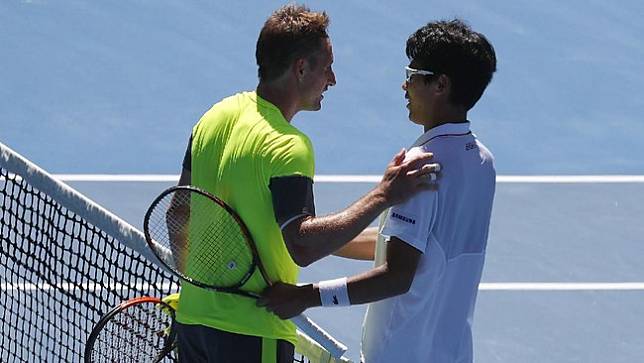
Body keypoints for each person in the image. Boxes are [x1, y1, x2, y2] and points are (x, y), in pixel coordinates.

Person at [173, 4, 439, 363]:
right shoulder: (287, 146)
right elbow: (303, 244)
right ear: (301, 68)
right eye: (326, 68)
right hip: (251, 334)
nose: (332, 80)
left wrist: (198, 287)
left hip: (192, 323)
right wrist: (384, 195)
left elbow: (179, 212)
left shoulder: (214, 117)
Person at [259, 19, 497, 363]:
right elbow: (413, 247)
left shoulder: (420, 164)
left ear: (440, 85)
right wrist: (310, 238)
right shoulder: (482, 163)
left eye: (413, 74)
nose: (405, 84)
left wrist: (306, 296)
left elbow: (397, 276)